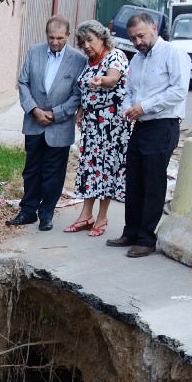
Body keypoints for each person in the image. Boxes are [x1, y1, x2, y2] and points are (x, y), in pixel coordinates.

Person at [106, 12, 191, 257]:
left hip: (163, 125)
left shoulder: (173, 54)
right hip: (140, 126)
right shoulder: (137, 60)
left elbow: (178, 91)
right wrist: (128, 108)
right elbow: (130, 91)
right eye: (132, 38)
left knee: (153, 183)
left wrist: (144, 106)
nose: (137, 42)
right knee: (134, 181)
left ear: (154, 28)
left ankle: (146, 238)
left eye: (141, 35)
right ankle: (131, 231)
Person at [7, 15, 87, 232]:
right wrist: (34, 110)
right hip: (34, 122)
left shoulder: (79, 60)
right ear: (46, 35)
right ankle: (27, 211)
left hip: (59, 125)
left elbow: (78, 94)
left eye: (60, 38)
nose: (55, 42)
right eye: (51, 37)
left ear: (68, 36)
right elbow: (23, 82)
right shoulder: (34, 52)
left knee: (54, 172)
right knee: (31, 169)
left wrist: (55, 114)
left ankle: (46, 214)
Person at [64, 20, 131, 237]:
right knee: (90, 169)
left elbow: (112, 79)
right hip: (93, 124)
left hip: (111, 123)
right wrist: (82, 109)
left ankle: (101, 217)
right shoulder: (90, 62)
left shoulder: (115, 56)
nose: (86, 45)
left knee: (106, 169)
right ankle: (86, 214)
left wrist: (101, 80)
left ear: (102, 38)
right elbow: (85, 89)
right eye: (82, 42)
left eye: (90, 40)